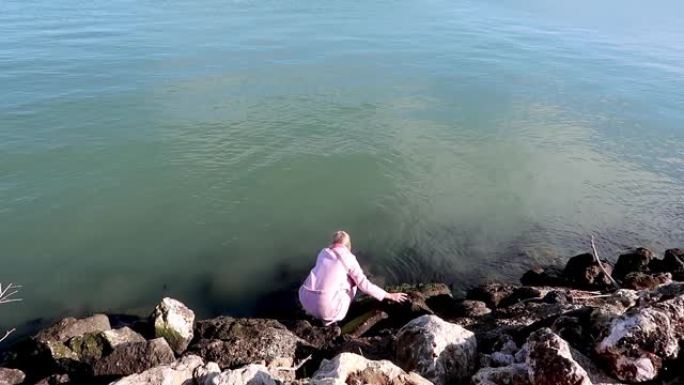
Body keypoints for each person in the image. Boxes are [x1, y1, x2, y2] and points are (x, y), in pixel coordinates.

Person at [298, 230, 408, 325]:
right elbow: (364, 285)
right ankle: (328, 323)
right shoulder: (349, 258)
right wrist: (389, 295)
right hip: (327, 311)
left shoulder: (323, 252)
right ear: (348, 245)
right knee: (354, 284)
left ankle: (315, 311)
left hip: (304, 299)